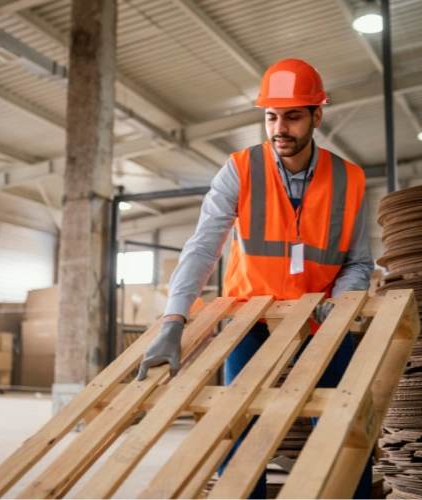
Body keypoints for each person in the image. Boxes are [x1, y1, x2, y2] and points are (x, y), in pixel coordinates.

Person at [137, 58, 375, 499]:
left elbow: (359, 263)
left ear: (317, 116)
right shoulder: (240, 169)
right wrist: (173, 320)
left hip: (322, 321)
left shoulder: (349, 178)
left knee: (345, 428)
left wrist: (342, 304)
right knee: (238, 431)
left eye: (292, 116)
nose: (279, 128)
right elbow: (203, 246)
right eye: (271, 116)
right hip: (250, 322)